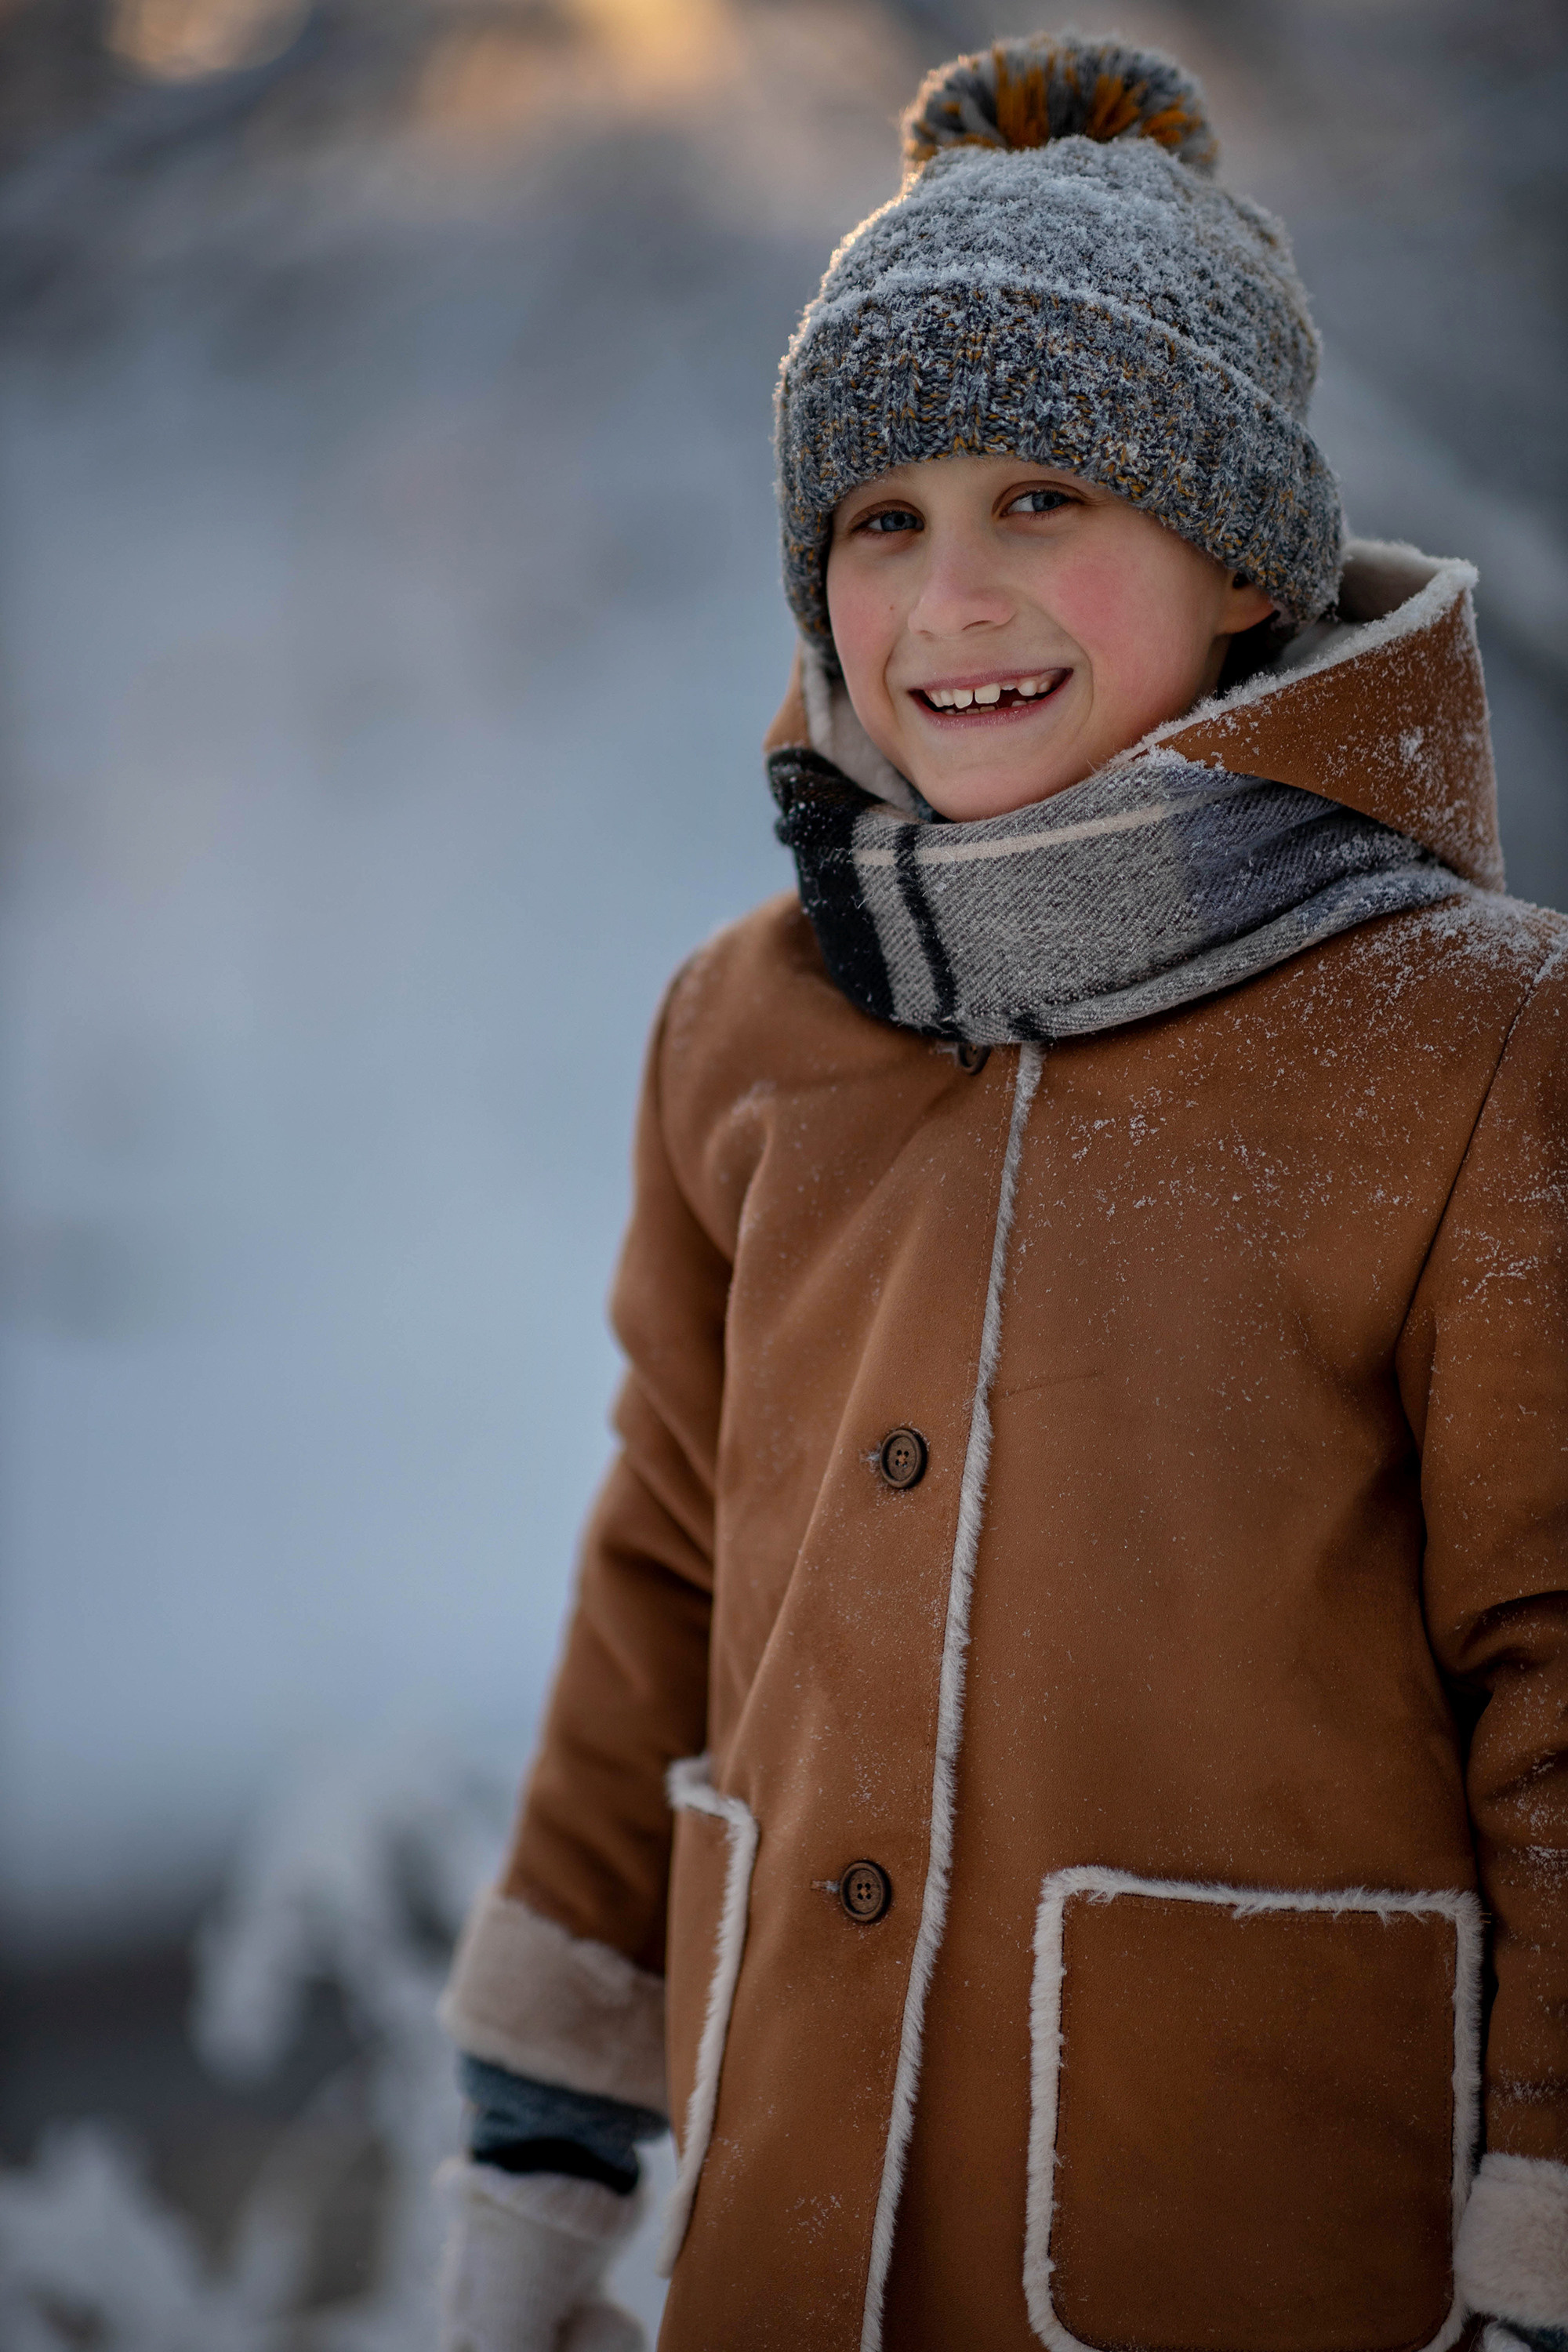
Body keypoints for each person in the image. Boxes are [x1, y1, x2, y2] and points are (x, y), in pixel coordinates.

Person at [436, 31, 1568, 2352]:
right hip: (786, 2240)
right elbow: (669, 1557)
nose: (952, 600)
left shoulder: (1472, 1041)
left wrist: (1544, 2235)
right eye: (883, 519)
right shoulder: (746, 1030)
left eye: (1046, 495)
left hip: (1254, 2239)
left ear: (1241, 562)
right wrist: (551, 2105)